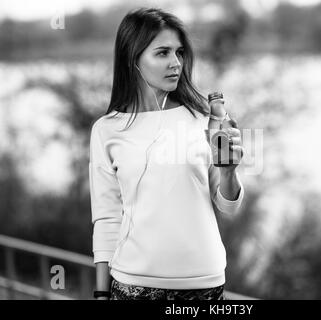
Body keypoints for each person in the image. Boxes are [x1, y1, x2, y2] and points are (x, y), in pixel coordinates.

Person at [89, 7, 245, 301]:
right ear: (132, 59)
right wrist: (100, 294)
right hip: (131, 283)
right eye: (162, 53)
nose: (176, 63)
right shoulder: (106, 130)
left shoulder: (205, 119)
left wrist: (229, 171)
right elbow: (107, 217)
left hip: (205, 284)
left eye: (180, 52)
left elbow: (230, 207)